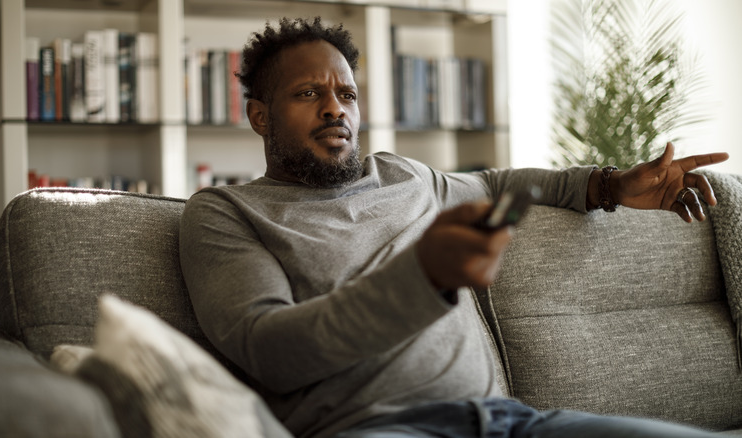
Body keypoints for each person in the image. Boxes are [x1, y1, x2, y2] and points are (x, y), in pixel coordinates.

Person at [179, 17, 729, 438]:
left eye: (347, 94)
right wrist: (421, 279)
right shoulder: (225, 212)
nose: (335, 109)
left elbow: (503, 184)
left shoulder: (406, 176)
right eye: (308, 94)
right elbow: (268, 350)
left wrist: (610, 186)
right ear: (259, 116)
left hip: (510, 423)